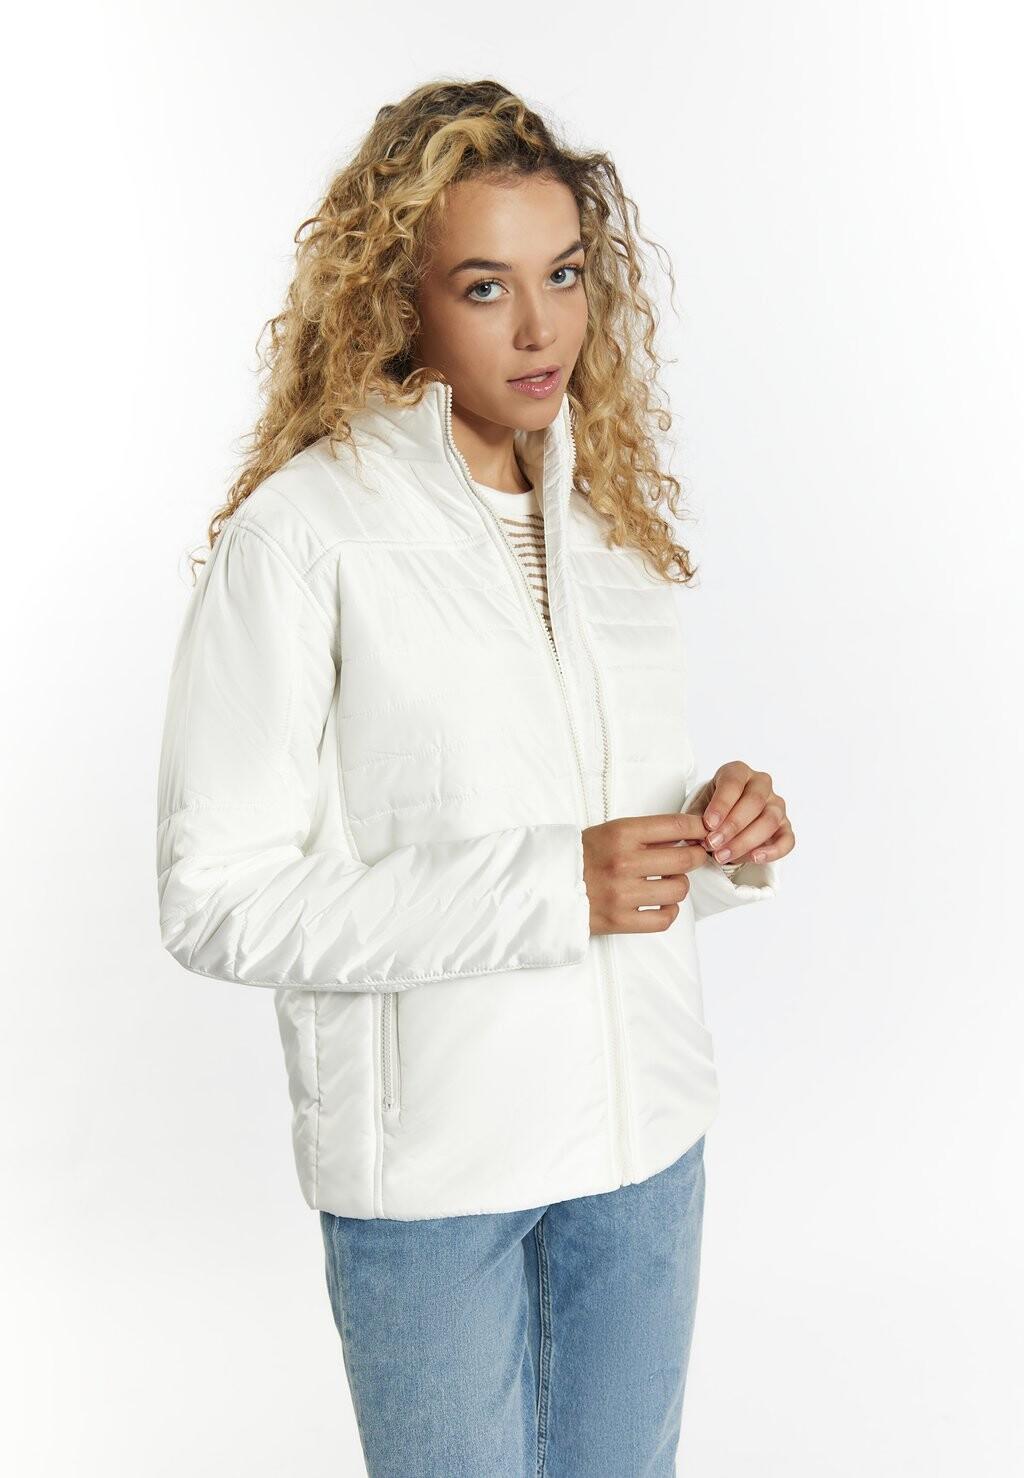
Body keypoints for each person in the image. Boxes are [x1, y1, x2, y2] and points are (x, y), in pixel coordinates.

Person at [155, 78, 795, 1477]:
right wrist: (552, 886)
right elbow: (217, 899)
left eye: (563, 274)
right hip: (438, 1182)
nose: (540, 325)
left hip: (646, 1156)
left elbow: (605, 845)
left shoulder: (608, 520)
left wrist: (718, 836)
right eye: (486, 285)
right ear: (398, 298)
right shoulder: (301, 538)